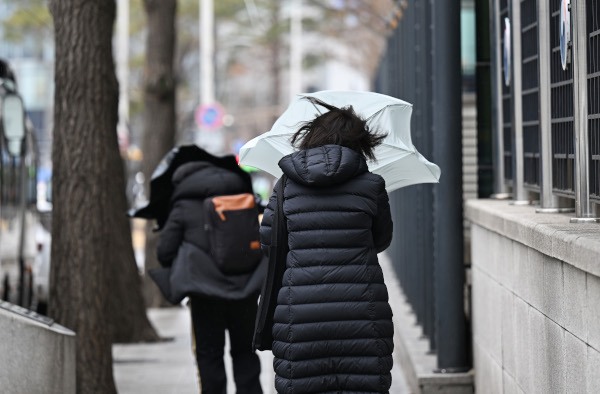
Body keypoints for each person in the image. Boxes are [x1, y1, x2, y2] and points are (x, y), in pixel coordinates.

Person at [259, 97, 395, 393]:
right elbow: (382, 239)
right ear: (361, 143)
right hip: (362, 311)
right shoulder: (372, 185)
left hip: (300, 314)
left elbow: (269, 241)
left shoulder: (285, 186)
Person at [156, 159, 265, 394]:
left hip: (204, 294)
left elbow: (164, 251)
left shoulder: (184, 205)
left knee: (209, 355)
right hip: (246, 290)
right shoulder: (243, 196)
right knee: (245, 353)